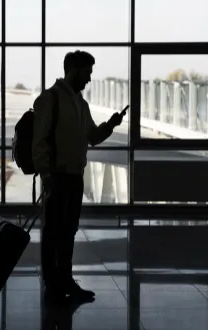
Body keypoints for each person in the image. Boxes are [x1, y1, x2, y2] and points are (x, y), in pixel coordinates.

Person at [32, 50, 125, 302]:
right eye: (86, 73)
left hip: (74, 176)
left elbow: (92, 138)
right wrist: (46, 174)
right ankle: (54, 284)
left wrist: (111, 124)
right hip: (58, 177)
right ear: (73, 71)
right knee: (53, 232)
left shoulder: (80, 105)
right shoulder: (50, 99)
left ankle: (63, 280)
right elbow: (39, 141)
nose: (89, 79)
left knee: (68, 230)